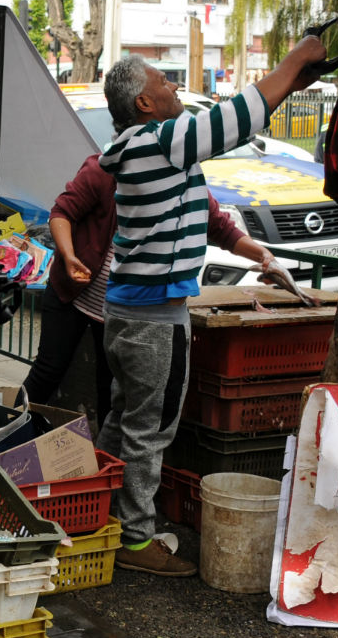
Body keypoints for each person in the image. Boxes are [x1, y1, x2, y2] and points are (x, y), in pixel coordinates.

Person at [95, 42, 325, 577]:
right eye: (163, 82)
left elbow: (212, 217)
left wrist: (290, 82)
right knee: (149, 431)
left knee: (121, 421)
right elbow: (235, 118)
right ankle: (133, 539)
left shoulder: (135, 151)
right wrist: (293, 60)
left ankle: (97, 514)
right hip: (156, 318)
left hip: (125, 312)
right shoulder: (163, 140)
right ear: (144, 104)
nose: (174, 86)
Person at [24, 155, 251, 431]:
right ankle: (5, 434)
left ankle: (106, 463)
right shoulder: (104, 170)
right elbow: (62, 213)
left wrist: (264, 257)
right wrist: (69, 256)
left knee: (110, 389)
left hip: (119, 310)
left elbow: (222, 229)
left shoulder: (186, 182)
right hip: (72, 295)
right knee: (48, 369)